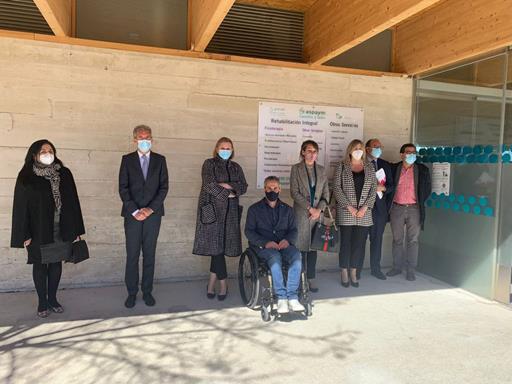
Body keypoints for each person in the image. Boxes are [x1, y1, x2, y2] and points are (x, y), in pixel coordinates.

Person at [11, 140, 85, 318]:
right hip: (38, 230)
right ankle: (42, 302)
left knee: (56, 263)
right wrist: (24, 234)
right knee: (39, 265)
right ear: (34, 154)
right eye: (43, 151)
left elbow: (74, 203)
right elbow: (20, 208)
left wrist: (76, 230)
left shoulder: (64, 174)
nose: (47, 153)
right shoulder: (26, 177)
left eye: (50, 150)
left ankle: (52, 299)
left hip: (62, 228)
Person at [119, 125, 169, 308]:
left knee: (149, 254)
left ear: (152, 139)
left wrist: (149, 210)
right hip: (132, 216)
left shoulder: (160, 160)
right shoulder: (127, 160)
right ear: (134, 140)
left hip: (153, 216)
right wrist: (135, 211)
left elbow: (164, 187)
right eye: (141, 137)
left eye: (148, 137)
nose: (145, 140)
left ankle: (147, 291)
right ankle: (131, 292)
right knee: (132, 255)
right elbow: (123, 188)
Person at [193, 137, 247, 301]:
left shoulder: (236, 167)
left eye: (228, 147)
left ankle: (211, 283)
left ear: (232, 149)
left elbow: (243, 186)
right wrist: (229, 192)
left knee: (220, 249)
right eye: (222, 147)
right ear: (216, 149)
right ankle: (223, 284)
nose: (225, 150)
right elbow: (209, 184)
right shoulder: (209, 164)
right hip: (212, 211)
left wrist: (226, 185)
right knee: (216, 248)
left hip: (230, 213)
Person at [245, 176, 305, 314]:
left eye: (275, 188)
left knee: (296, 255)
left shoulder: (288, 210)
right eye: (269, 188)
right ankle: (281, 298)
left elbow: (294, 230)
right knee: (275, 258)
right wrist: (265, 243)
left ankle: (292, 297)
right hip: (264, 247)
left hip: (284, 245)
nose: (272, 191)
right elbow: (249, 231)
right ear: (264, 189)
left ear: (279, 189)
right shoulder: (254, 210)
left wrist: (288, 241)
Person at [333, 139, 377, 288]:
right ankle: (344, 271)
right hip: (347, 212)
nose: (359, 150)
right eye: (356, 148)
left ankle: (353, 271)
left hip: (364, 213)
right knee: (345, 244)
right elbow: (337, 188)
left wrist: (365, 207)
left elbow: (373, 189)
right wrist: (349, 207)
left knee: (359, 245)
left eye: (361, 148)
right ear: (350, 150)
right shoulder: (341, 166)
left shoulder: (369, 167)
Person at [387, 143, 431, 281]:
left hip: (414, 208)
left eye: (413, 152)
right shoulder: (394, 168)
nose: (411, 155)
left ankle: (411, 269)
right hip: (397, 208)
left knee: (413, 240)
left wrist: (419, 201)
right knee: (397, 240)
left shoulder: (422, 170)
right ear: (402, 154)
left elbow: (427, 189)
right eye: (408, 152)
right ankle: (396, 267)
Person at [290, 140, 330, 292]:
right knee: (299, 248)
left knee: (313, 249)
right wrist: (309, 208)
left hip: (316, 216)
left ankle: (310, 279)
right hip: (302, 214)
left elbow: (326, 193)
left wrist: (318, 210)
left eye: (315, 151)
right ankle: (299, 280)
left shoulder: (321, 170)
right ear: (303, 152)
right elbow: (294, 192)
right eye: (309, 151)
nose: (312, 154)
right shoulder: (296, 169)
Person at [357, 138, 394, 280]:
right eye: (375, 146)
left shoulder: (385, 165)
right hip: (363, 209)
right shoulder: (360, 164)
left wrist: (383, 187)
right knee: (360, 241)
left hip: (379, 210)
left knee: (377, 240)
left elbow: (392, 186)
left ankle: (375, 269)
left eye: (380, 146)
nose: (378, 148)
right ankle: (357, 269)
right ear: (367, 149)